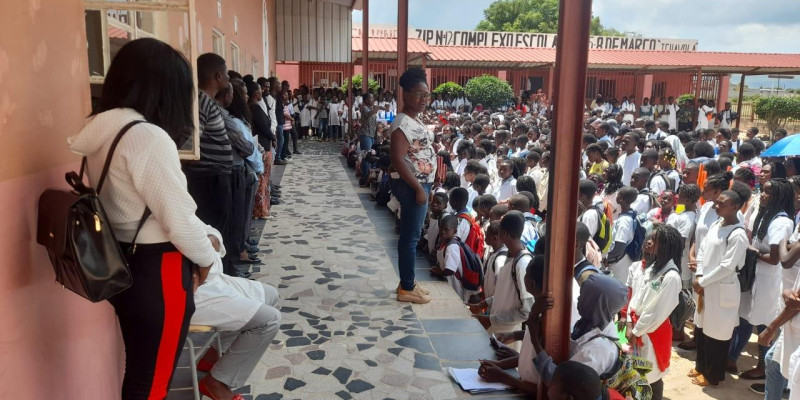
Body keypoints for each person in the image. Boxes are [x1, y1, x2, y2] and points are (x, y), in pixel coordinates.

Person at [69, 38, 219, 400]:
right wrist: (208, 257)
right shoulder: (148, 138)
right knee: (151, 382)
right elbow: (179, 220)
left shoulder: (106, 132)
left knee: (140, 373)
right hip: (159, 270)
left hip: (123, 262)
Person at [191, 234, 281, 400]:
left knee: (270, 294)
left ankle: (214, 357)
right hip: (193, 291)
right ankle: (215, 383)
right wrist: (207, 243)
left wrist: (210, 241)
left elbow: (213, 236)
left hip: (213, 278)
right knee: (269, 320)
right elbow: (197, 243)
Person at [730, 178, 795, 379]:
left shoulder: (781, 221)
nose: (762, 196)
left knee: (763, 323)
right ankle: (731, 357)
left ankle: (763, 366)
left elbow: (776, 258)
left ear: (779, 197)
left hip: (769, 281)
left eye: (768, 193)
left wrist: (754, 253)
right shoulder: (767, 214)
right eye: (762, 191)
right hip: (755, 276)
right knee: (745, 317)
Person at [689, 189, 749, 387]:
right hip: (705, 285)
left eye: (721, 203)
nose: (716, 205)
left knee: (717, 334)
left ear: (735, 207)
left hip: (722, 288)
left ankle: (712, 375)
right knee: (703, 328)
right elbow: (703, 249)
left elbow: (727, 266)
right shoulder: (717, 224)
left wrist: (703, 281)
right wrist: (699, 275)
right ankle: (701, 367)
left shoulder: (738, 234)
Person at [390, 67, 436, 304]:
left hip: (421, 185)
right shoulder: (401, 123)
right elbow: (398, 159)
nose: (423, 100)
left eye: (426, 95)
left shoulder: (413, 120)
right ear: (405, 94)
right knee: (410, 237)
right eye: (418, 94)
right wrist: (419, 188)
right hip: (413, 187)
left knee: (412, 234)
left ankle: (407, 281)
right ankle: (407, 288)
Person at [625, 224, 683, 400]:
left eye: (654, 240)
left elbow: (656, 312)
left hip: (652, 332)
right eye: (649, 238)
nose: (648, 242)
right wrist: (628, 322)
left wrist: (636, 330)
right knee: (636, 373)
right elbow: (635, 298)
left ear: (665, 246)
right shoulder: (651, 268)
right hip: (636, 327)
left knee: (651, 376)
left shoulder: (671, 277)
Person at [476, 256, 548, 395]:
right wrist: (497, 365)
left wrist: (502, 376)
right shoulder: (538, 313)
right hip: (521, 381)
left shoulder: (545, 319)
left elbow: (542, 386)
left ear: (531, 283)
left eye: (526, 273)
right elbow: (532, 358)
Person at [471, 211, 533, 350]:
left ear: (503, 234)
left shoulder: (522, 264)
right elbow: (505, 293)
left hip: (509, 334)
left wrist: (492, 320)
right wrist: (485, 303)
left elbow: (526, 311)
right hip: (497, 328)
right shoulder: (510, 257)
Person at [430, 215, 478, 302]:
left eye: (446, 230)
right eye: (441, 229)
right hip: (449, 283)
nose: (442, 232)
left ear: (455, 231)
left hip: (455, 286)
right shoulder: (445, 243)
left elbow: (450, 270)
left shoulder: (452, 246)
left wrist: (439, 272)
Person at [246, 80, 276, 221]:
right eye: (259, 90)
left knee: (264, 180)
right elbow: (264, 127)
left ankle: (262, 208)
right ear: (255, 93)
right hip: (262, 145)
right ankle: (260, 210)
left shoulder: (256, 106)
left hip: (263, 144)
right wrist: (273, 136)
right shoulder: (255, 108)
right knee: (262, 180)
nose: (262, 92)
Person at [604, 187, 640, 285]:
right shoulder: (631, 214)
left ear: (621, 199)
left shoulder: (624, 221)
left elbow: (620, 244)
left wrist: (608, 258)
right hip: (621, 259)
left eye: (618, 194)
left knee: (616, 288)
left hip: (619, 262)